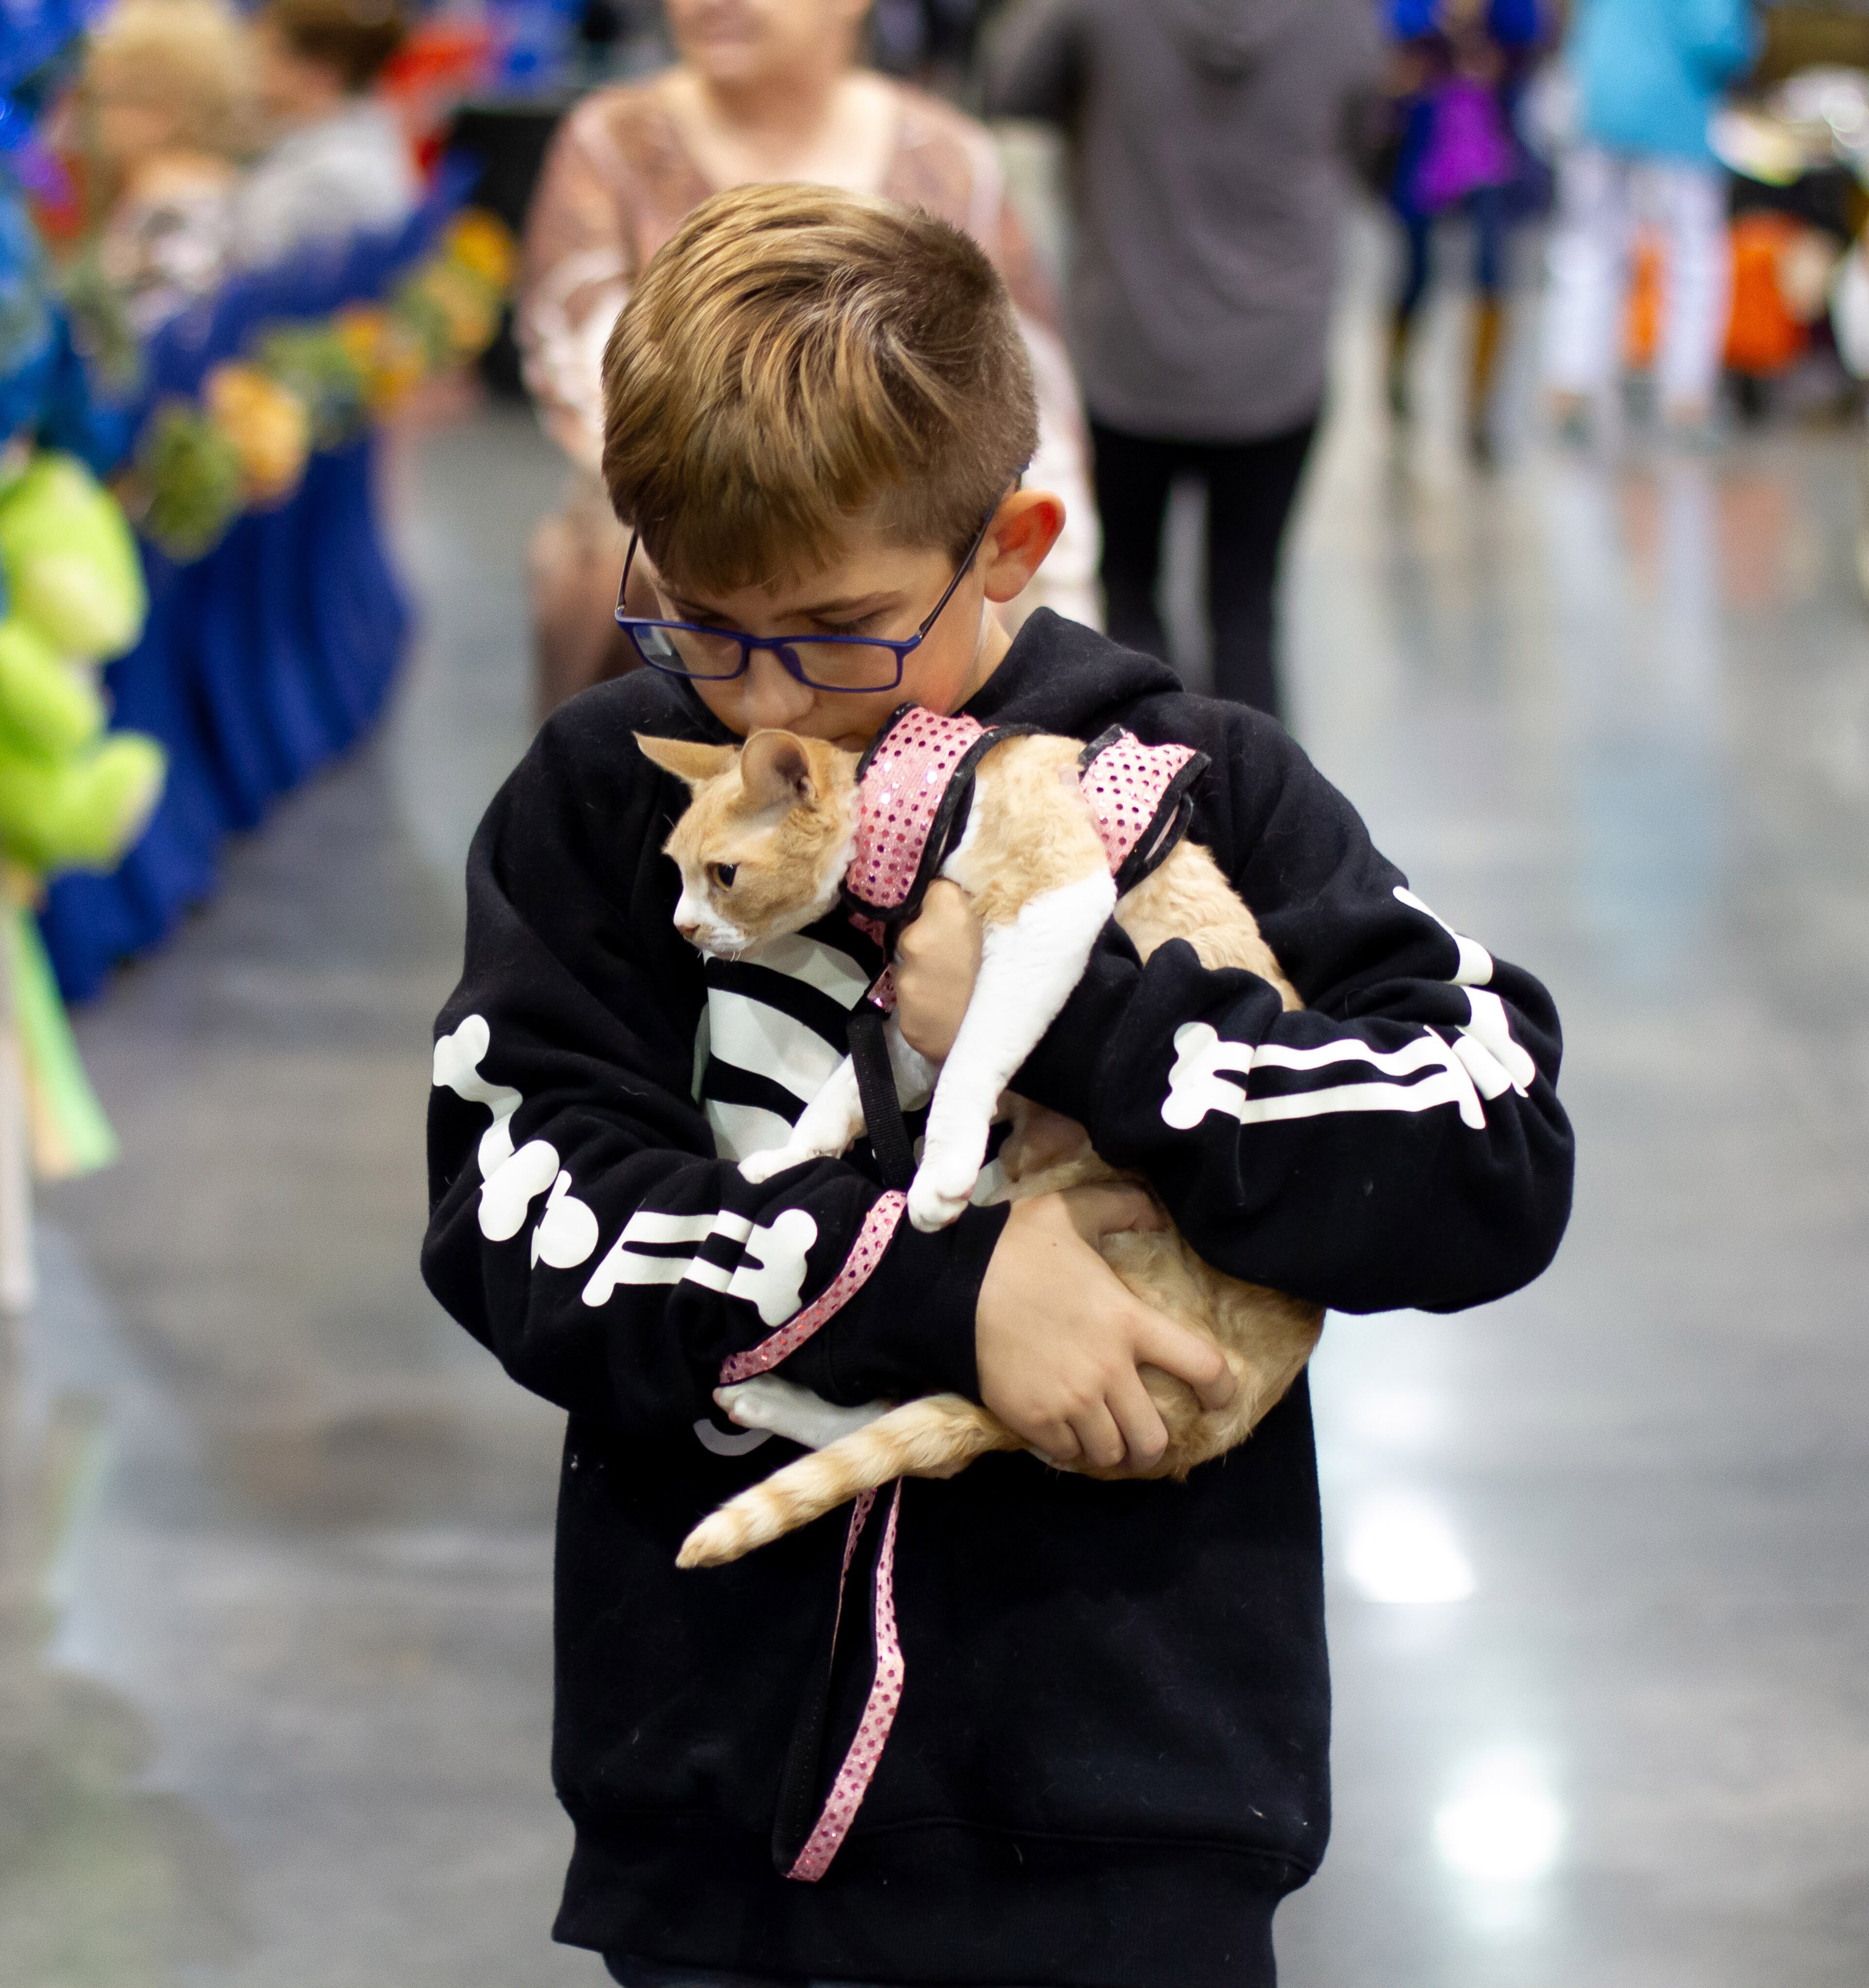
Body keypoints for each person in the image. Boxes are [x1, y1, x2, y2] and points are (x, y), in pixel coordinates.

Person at [422, 183, 1575, 1988]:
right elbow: (522, 1210)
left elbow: (1487, 1145)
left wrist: (1099, 1036)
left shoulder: (1198, 780)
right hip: (727, 1820)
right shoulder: (611, 797)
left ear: (1014, 542)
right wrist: (947, 1294)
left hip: (1139, 1802)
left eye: (841, 629)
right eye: (702, 627)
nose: (766, 700)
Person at [518, 0, 1100, 720]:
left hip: (898, 561)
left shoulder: (948, 157)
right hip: (673, 543)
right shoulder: (613, 140)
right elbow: (579, 350)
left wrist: (1068, 599)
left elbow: (1027, 381)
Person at [987, 0, 1382, 721]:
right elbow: (1372, 137)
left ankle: (1155, 812)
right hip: (1277, 359)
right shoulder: (1347, 14)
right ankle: (1254, 817)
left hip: (1126, 353)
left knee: (1129, 592)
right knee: (1248, 605)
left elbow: (1011, 85)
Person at [1542, 0, 1758, 442]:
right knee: (1695, 257)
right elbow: (1722, 41)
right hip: (1674, 108)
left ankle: (1570, 388)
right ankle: (1686, 403)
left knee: (1588, 248)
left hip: (1597, 101)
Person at [1384, 0, 1546, 465]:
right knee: (1416, 270)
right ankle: (1396, 372)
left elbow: (1528, 36)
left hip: (1487, 132)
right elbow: (1394, 32)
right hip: (1427, 129)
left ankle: (1480, 410)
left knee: (1492, 269)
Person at [80, 0, 253, 335]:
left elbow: (134, 352)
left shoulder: (169, 203)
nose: (94, 122)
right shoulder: (222, 183)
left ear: (167, 108)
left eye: (109, 98)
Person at [231, 0, 417, 270]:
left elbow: (248, 269)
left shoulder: (331, 174)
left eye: (264, 54)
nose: (249, 71)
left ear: (320, 72)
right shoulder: (363, 126)